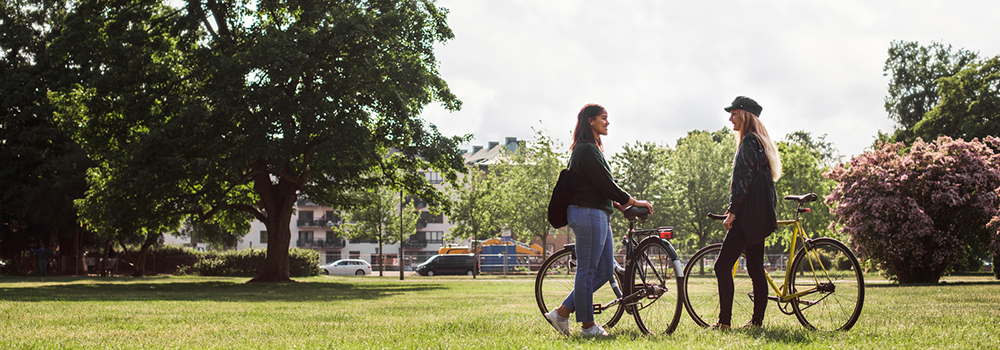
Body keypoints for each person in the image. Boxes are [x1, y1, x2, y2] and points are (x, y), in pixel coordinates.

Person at [544, 103, 654, 337]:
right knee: (587, 269)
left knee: (604, 270)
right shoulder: (585, 149)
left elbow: (597, 187)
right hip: (587, 214)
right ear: (590, 121)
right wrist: (633, 201)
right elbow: (605, 184)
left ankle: (562, 312)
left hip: (598, 213)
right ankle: (587, 326)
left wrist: (619, 204)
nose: (607, 122)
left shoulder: (592, 149)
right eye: (603, 118)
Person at [713, 96, 782, 330]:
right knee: (755, 269)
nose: (730, 118)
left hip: (746, 216)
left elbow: (743, 181)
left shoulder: (748, 142)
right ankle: (757, 324)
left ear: (744, 114)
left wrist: (732, 212)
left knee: (722, 267)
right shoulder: (761, 141)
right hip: (760, 216)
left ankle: (724, 323)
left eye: (733, 113)